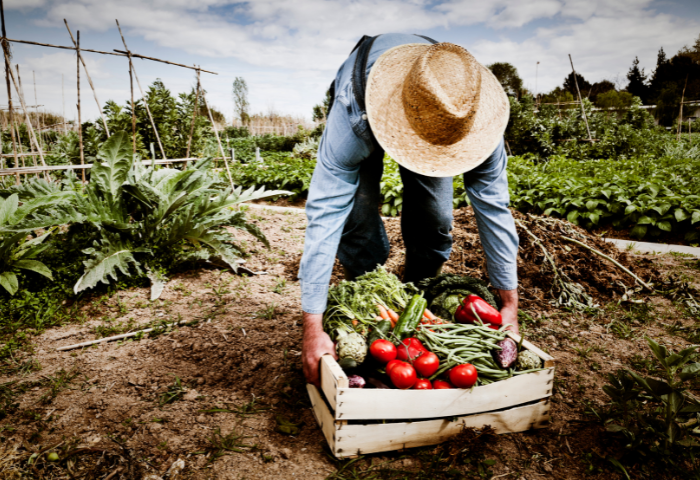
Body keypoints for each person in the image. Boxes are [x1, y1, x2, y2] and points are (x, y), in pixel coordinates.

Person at [298, 33, 519, 386]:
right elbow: (325, 213)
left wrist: (510, 303)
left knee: (436, 219)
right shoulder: (353, 116)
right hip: (368, 100)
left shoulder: (473, 117)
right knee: (357, 220)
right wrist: (311, 326)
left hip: (435, 113)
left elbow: (494, 207)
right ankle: (368, 298)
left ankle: (417, 294)